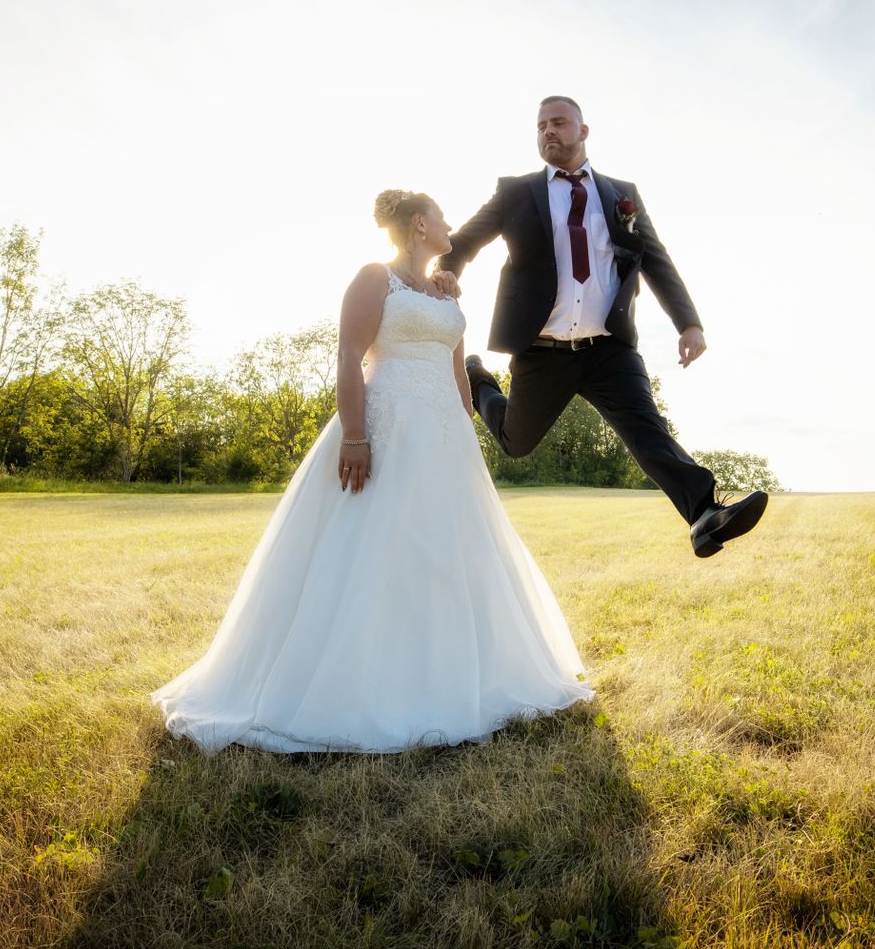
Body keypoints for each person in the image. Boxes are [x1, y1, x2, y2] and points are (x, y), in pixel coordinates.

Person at [151, 190, 594, 754]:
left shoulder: (444, 289)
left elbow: (457, 371)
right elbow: (348, 356)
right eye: (441, 217)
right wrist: (356, 436)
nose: (450, 224)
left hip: (444, 438)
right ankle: (359, 686)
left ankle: (453, 677)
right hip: (389, 425)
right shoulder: (373, 278)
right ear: (419, 224)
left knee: (448, 552)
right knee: (375, 546)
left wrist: (467, 434)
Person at [431, 95, 768, 558]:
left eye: (558, 123)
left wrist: (688, 322)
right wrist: (447, 271)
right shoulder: (516, 192)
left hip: (609, 348)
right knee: (516, 442)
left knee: (647, 428)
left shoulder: (620, 194)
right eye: (541, 126)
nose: (548, 131)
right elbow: (461, 243)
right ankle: (479, 378)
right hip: (542, 349)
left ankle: (704, 513)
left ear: (583, 131)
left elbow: (655, 259)